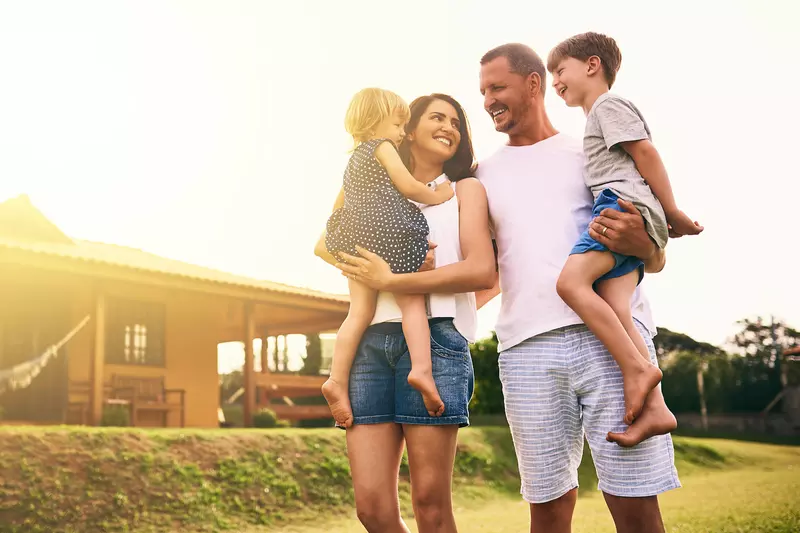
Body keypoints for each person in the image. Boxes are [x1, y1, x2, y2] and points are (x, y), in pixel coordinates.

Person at [477, 43, 681, 533]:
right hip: (525, 351)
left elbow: (650, 253)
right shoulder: (481, 175)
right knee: (547, 509)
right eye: (482, 91)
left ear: (533, 84)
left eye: (497, 87)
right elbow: (487, 273)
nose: (487, 100)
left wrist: (650, 245)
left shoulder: (590, 151)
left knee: (635, 504)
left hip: (611, 339)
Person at [316, 93, 496, 533]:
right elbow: (324, 244)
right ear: (408, 127)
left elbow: (481, 271)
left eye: (456, 122)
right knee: (372, 510)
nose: (449, 127)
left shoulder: (464, 190)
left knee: (430, 508)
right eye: (437, 117)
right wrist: (365, 266)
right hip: (368, 345)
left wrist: (394, 280)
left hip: (435, 342)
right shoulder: (369, 176)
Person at [546, 31, 702, 443]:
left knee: (569, 283)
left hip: (620, 206)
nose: (555, 81)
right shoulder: (596, 115)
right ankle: (657, 408)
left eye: (559, 70)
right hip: (628, 208)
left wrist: (672, 213)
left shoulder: (607, 106)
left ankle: (637, 369)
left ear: (592, 65)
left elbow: (646, 153)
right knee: (617, 304)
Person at [322, 88, 454, 428]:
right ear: (376, 121)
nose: (400, 133)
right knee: (412, 304)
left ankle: (336, 380)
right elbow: (409, 187)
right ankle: (422, 370)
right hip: (389, 232)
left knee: (358, 312)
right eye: (398, 124)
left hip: (355, 239)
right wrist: (439, 193)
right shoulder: (382, 148)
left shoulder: (352, 162)